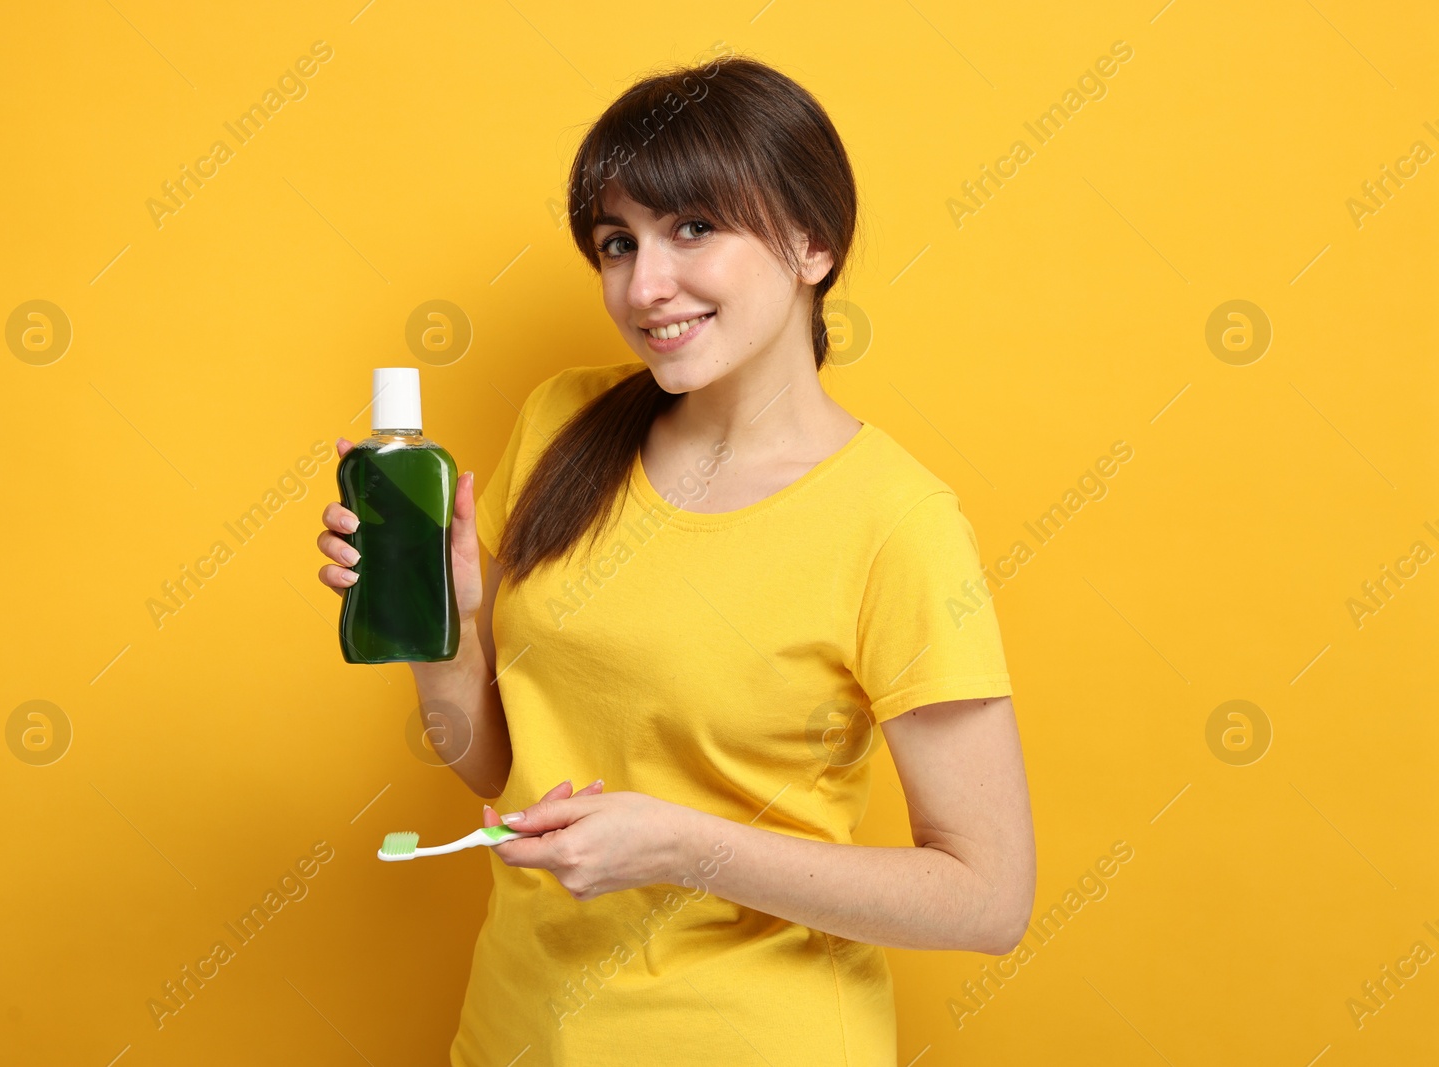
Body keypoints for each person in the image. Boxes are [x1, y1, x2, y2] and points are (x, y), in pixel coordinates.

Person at [317, 53, 1035, 1066]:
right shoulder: (563, 422)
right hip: (516, 1032)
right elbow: (498, 765)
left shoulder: (897, 523)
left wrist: (682, 844)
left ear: (810, 243)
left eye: (692, 227)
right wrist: (447, 630)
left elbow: (989, 897)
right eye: (617, 242)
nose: (644, 285)